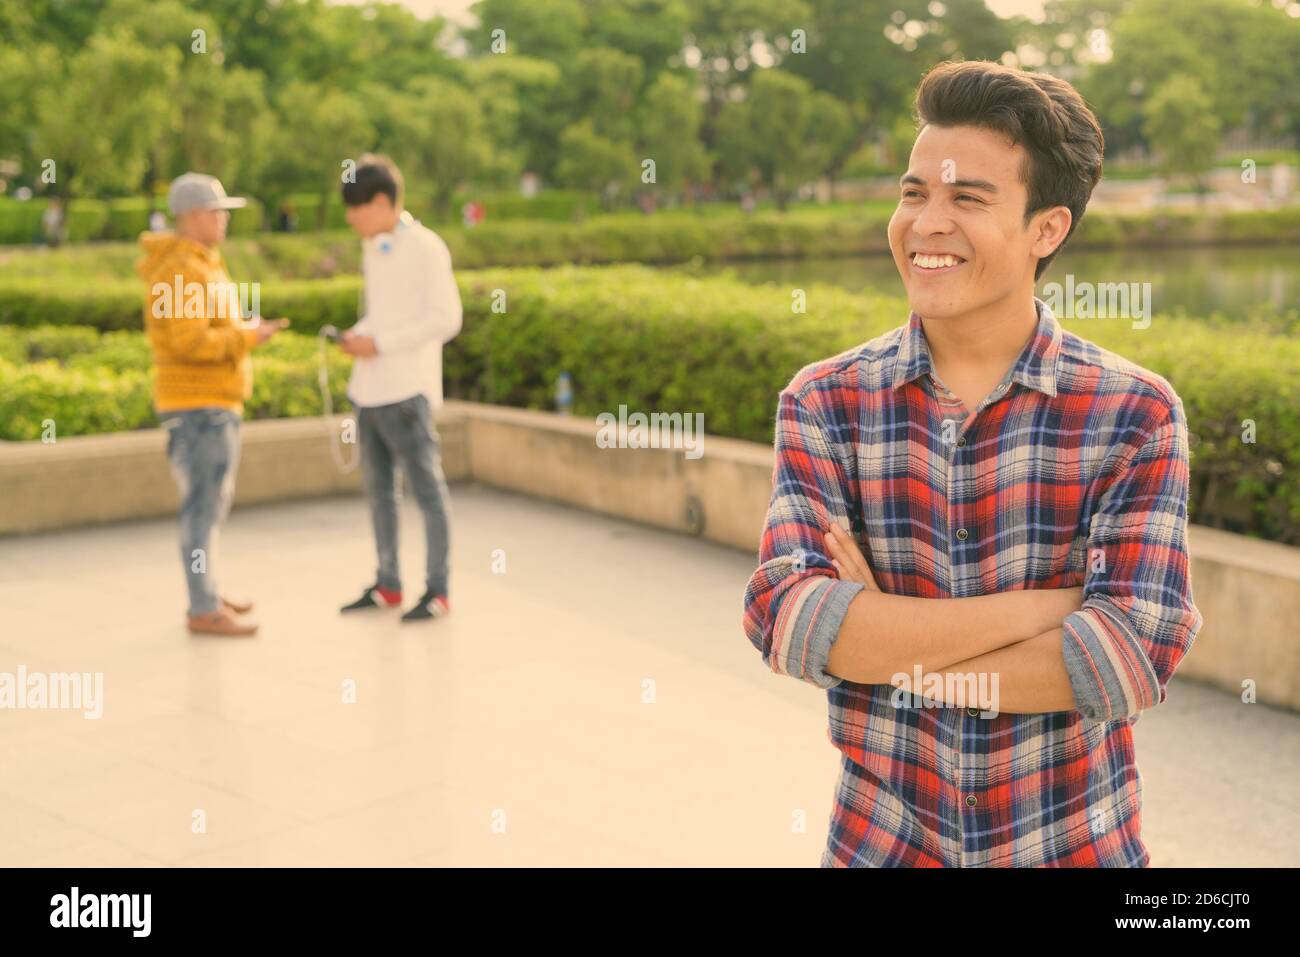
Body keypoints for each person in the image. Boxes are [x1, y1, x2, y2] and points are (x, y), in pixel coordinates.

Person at [742, 60, 1204, 868]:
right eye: (914, 192)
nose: (925, 224)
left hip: (1072, 848)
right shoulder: (825, 403)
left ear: (1047, 229)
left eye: (967, 198)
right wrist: (1044, 610)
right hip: (880, 846)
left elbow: (1127, 659)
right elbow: (787, 621)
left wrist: (884, 649)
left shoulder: (1133, 414)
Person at [137, 173, 288, 636]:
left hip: (208, 402)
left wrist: (240, 331)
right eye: (218, 211)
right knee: (202, 509)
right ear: (192, 216)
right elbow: (189, 341)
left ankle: (207, 593)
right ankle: (202, 607)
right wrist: (247, 335)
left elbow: (200, 328)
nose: (224, 220)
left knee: (207, 507)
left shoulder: (199, 263)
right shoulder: (184, 268)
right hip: (199, 406)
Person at [337, 155, 462, 623]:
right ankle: (388, 583)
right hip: (369, 390)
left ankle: (438, 589)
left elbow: (446, 319)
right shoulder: (374, 248)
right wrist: (359, 336)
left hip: (407, 391)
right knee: (379, 493)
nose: (352, 218)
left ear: (384, 202)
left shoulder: (426, 247)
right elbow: (385, 314)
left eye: (358, 207)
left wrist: (382, 343)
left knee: (427, 491)